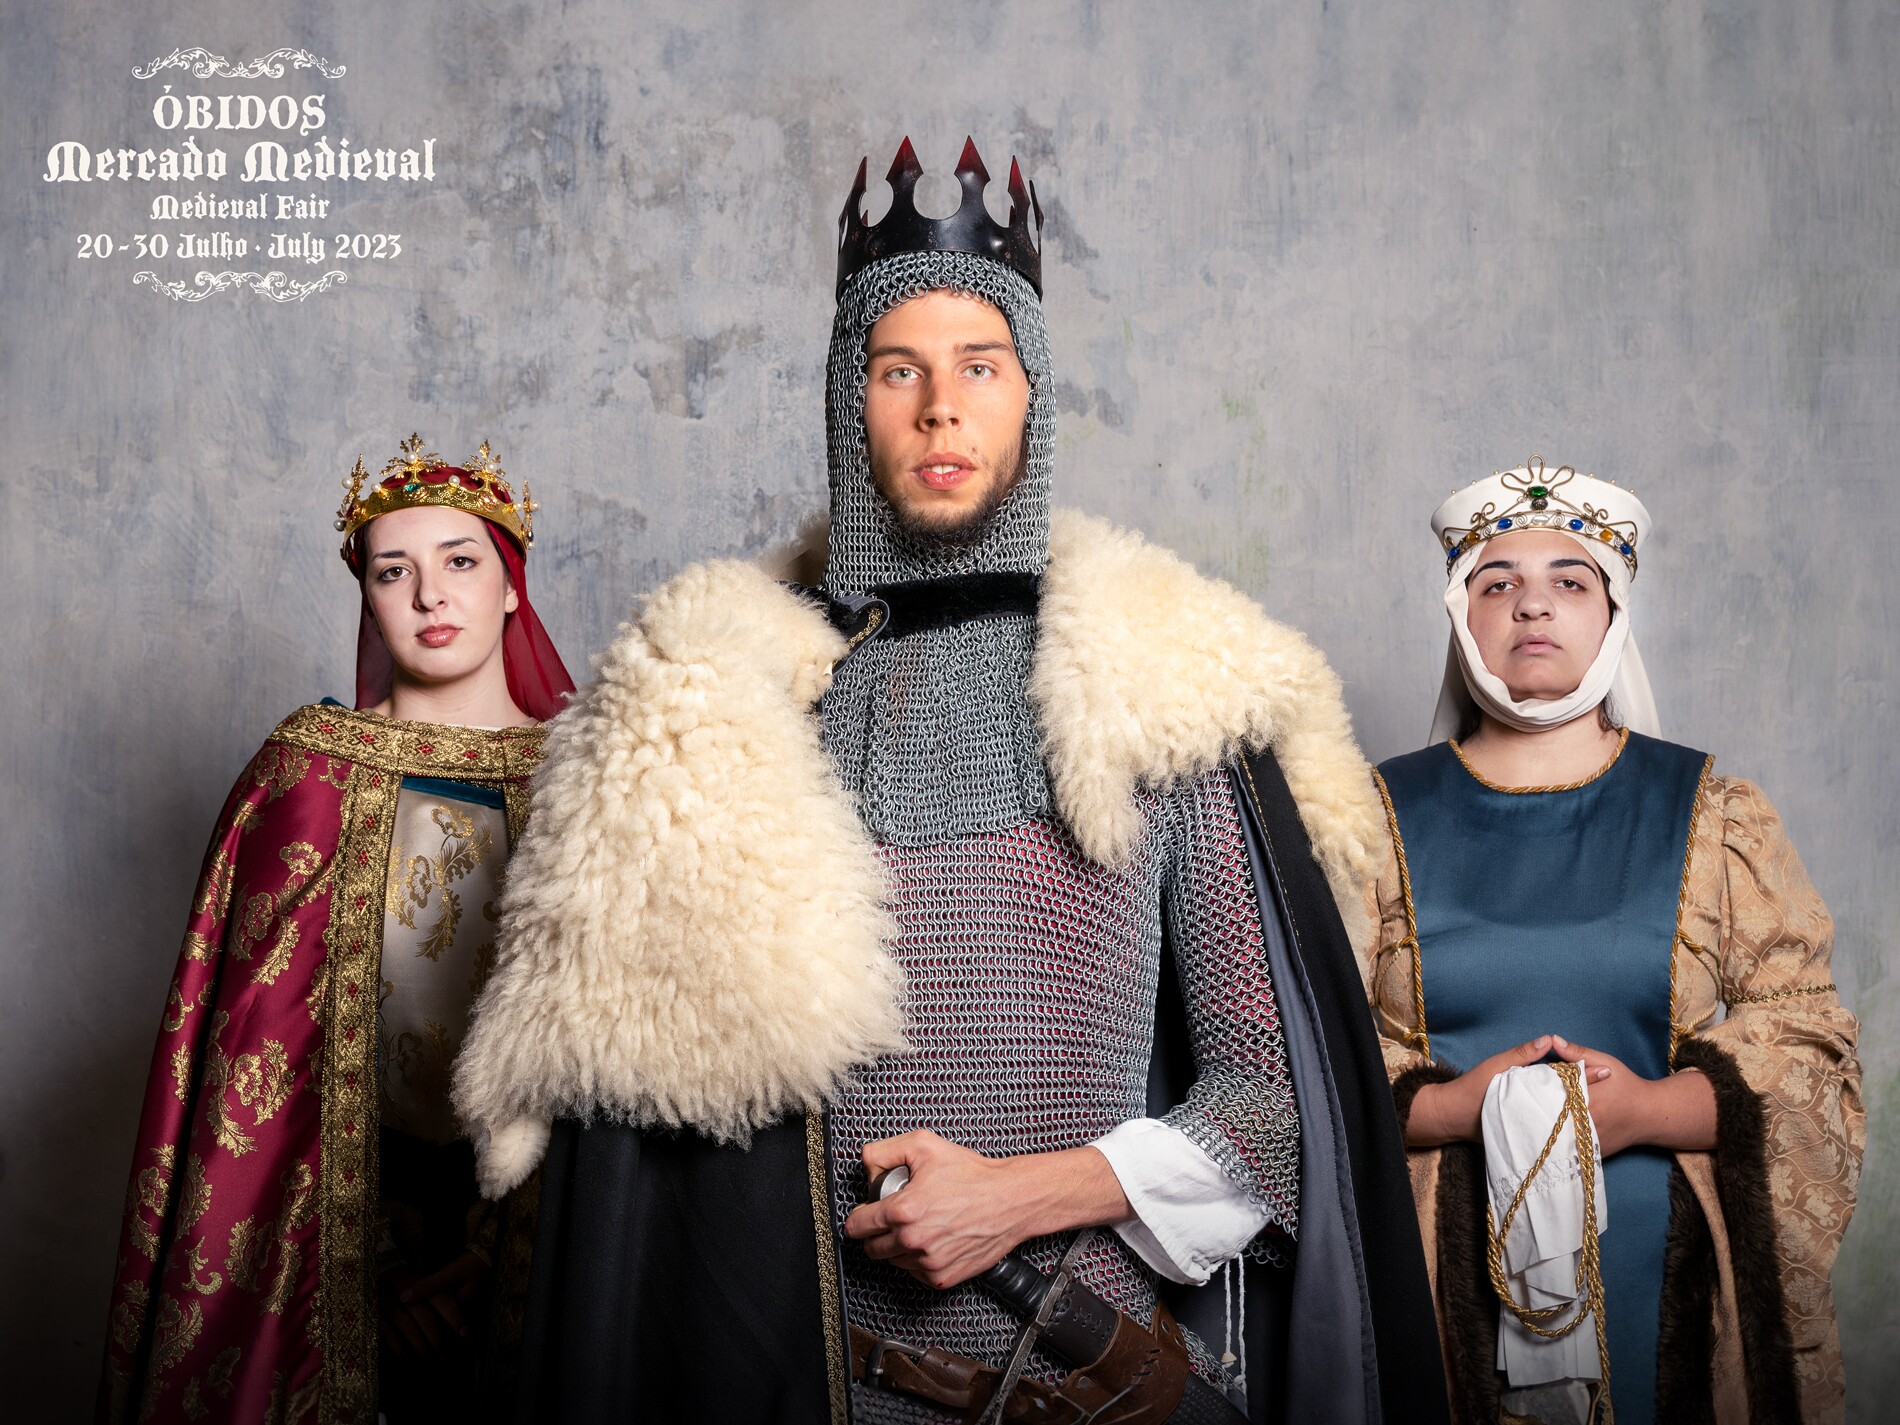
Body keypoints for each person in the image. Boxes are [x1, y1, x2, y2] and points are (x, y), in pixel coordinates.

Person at [452, 139, 1447, 1424]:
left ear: (1032, 398)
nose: (940, 409)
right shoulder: (718, 714)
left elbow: (1271, 1111)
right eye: (897, 369)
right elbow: (638, 1179)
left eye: (980, 367)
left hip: (1081, 1390)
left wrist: (1020, 1200)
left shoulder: (1151, 692)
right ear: (845, 399)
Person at [1362, 459, 1863, 1423]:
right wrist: (1457, 1107)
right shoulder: (1369, 819)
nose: (1532, 606)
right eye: (1496, 582)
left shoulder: (1715, 814)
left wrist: (1640, 1114)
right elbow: (1308, 1057)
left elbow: (1810, 1047)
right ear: (1461, 615)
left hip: (1666, 1280)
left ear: (1613, 614)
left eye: (1569, 581)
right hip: (1436, 1284)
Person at [97, 436, 574, 1425]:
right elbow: (248, 1066)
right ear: (368, 597)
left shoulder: (589, 785)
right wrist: (373, 1269)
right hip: (336, 1234)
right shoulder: (304, 777)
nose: (430, 596)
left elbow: (629, 1047)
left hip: (541, 1236)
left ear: (511, 587)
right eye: (393, 572)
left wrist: (490, 1254)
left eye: (460, 562)